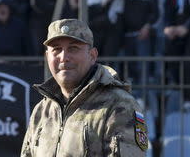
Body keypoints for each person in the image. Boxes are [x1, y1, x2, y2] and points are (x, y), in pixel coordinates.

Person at [21, 19, 148, 156]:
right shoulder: (42, 111)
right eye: (57, 49)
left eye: (73, 48)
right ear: (47, 57)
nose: (64, 57)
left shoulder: (119, 105)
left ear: (92, 56)